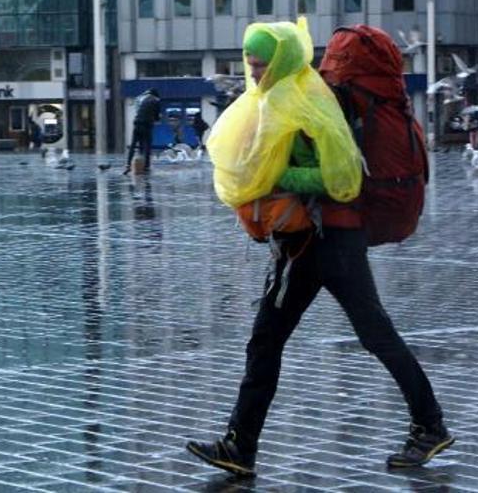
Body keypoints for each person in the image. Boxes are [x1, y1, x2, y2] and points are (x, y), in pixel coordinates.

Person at [186, 24, 453, 478]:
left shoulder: (310, 102)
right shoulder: (296, 94)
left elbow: (337, 179)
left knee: (303, 339)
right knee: (282, 340)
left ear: (283, 59)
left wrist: (275, 178)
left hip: (323, 239)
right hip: (318, 239)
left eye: (260, 64)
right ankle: (240, 445)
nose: (254, 72)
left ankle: (429, 426)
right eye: (249, 65)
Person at [124, 88, 161, 175]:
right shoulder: (155, 101)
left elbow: (138, 110)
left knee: (133, 145)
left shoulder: (142, 99)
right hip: (146, 124)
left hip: (137, 123)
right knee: (147, 145)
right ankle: (146, 167)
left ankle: (128, 164)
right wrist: (157, 117)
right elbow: (156, 117)